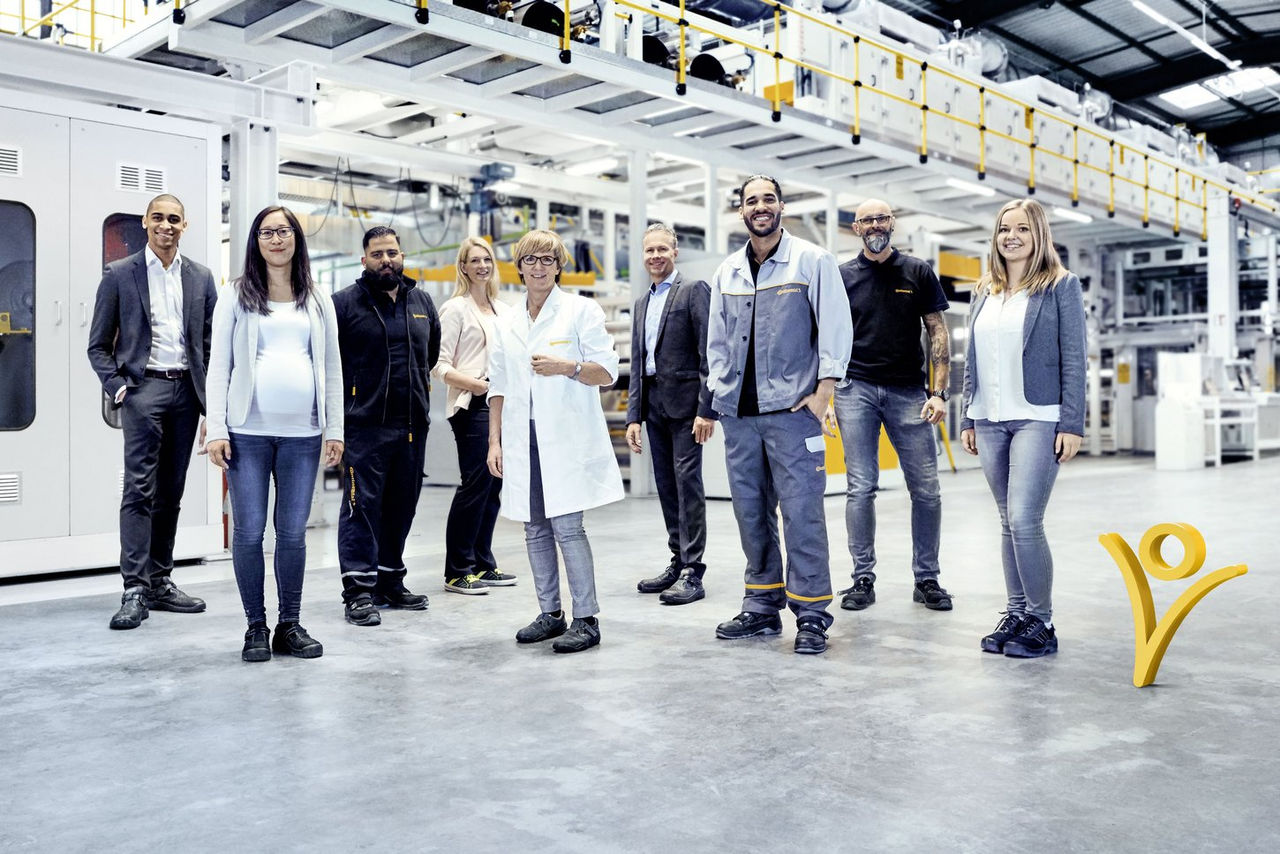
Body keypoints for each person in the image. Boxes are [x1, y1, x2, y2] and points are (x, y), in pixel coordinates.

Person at [707, 175, 853, 655]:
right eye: (751, 201)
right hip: (740, 416)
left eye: (768, 198)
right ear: (741, 211)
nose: (760, 206)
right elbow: (716, 342)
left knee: (802, 513)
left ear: (781, 206)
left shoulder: (812, 261)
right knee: (750, 513)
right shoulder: (728, 271)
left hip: (792, 412)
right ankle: (761, 605)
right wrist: (720, 394)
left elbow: (836, 327)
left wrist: (824, 392)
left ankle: (811, 614)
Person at [205, 206, 344, 662]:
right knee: (248, 533)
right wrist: (217, 428)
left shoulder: (317, 298)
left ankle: (290, 624)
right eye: (267, 233)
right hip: (246, 432)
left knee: (292, 535)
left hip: (303, 436)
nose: (276, 239)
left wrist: (335, 429)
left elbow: (332, 367)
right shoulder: (235, 294)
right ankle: (255, 627)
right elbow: (219, 366)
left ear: (296, 238)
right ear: (256, 242)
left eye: (283, 231)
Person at [486, 229, 624, 654]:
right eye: (531, 259)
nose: (539, 267)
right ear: (519, 267)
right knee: (534, 528)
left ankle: (586, 619)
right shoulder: (506, 320)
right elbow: (498, 386)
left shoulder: (581, 311)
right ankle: (550, 613)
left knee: (567, 528)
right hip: (521, 436)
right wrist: (494, 442)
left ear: (559, 266)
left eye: (548, 259)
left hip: (566, 438)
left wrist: (569, 367)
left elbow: (608, 372)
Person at [960, 198, 1086, 659]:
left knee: (1024, 519)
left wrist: (1072, 423)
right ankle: (1016, 614)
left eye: (1022, 229)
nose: (1011, 237)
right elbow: (972, 359)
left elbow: (1074, 358)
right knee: (1005, 521)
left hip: (1039, 415)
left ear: (1039, 235)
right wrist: (968, 415)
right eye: (1003, 229)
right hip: (989, 417)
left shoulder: (1060, 286)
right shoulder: (984, 290)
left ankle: (1042, 621)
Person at [87, 193, 218, 630]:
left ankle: (160, 581)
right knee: (139, 490)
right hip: (144, 391)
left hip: (187, 393)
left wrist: (211, 404)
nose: (166, 225)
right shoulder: (120, 274)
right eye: (158, 217)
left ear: (185, 225)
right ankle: (134, 589)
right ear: (145, 222)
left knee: (171, 492)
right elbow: (97, 346)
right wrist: (120, 388)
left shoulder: (201, 277)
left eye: (174, 219)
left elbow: (210, 344)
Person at [832, 199, 954, 613]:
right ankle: (862, 578)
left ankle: (927, 578)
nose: (875, 225)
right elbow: (828, 336)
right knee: (860, 487)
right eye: (867, 219)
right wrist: (826, 393)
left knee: (927, 489)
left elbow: (937, 331)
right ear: (856, 228)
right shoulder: (841, 276)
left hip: (909, 393)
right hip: (856, 390)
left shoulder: (917, 271)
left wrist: (939, 392)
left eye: (881, 218)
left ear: (892, 223)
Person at [332, 226, 440, 626]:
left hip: (412, 425)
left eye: (392, 253)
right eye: (377, 254)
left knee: (401, 506)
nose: (386, 260)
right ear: (364, 260)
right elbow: (330, 364)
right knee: (361, 507)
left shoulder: (421, 301)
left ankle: (390, 580)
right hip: (364, 426)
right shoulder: (344, 303)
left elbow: (430, 355)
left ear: (402, 256)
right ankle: (359, 591)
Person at [625, 223, 716, 606]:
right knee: (665, 483)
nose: (656, 256)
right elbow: (637, 361)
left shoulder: (693, 290)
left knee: (687, 483)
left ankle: (693, 570)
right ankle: (678, 559)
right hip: (654, 404)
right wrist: (633, 416)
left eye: (662, 249)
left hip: (687, 405)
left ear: (675, 252)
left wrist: (707, 409)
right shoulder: (641, 303)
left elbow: (710, 350)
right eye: (650, 250)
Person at [434, 237, 516, 595]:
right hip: (472, 403)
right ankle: (457, 570)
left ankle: (483, 563)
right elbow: (438, 364)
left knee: (494, 484)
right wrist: (477, 385)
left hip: (503, 402)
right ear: (463, 267)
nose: (482, 266)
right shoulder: (455, 309)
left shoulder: (505, 310)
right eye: (475, 260)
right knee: (476, 482)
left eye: (487, 260)